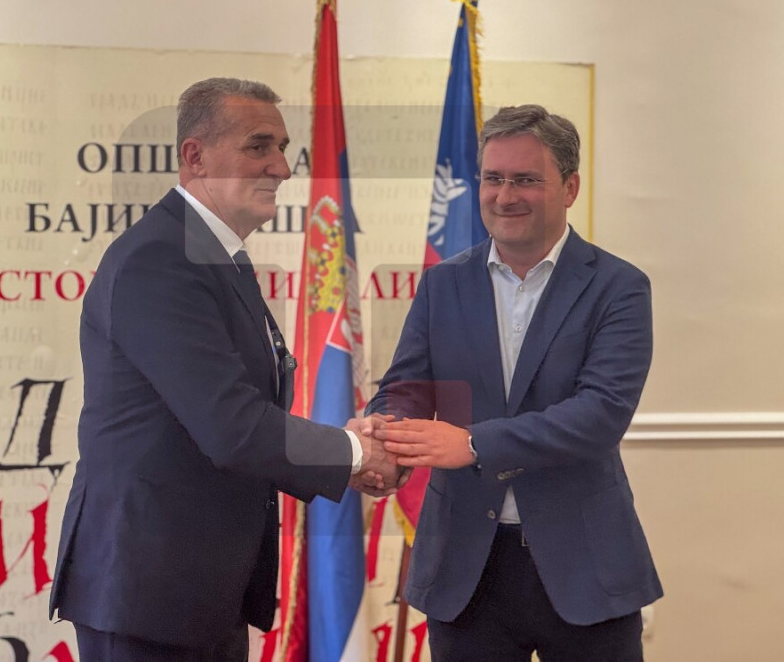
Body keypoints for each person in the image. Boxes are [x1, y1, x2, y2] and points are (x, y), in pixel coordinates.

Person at [49, 77, 397, 661]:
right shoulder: (160, 258)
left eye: (282, 148)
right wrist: (354, 452)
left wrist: (345, 447)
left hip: (200, 591)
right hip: (148, 594)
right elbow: (231, 426)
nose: (281, 167)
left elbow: (235, 412)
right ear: (195, 156)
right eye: (258, 146)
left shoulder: (212, 254)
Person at [370, 104, 662, 661]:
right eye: (493, 178)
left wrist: (473, 444)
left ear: (570, 187)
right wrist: (382, 434)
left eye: (526, 179)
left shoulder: (619, 287)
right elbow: (407, 388)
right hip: (464, 569)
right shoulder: (442, 284)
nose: (505, 196)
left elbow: (600, 415)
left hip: (585, 568)